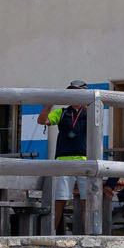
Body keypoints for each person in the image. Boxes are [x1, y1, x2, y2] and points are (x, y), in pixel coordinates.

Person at [38, 82, 94, 233]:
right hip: (63, 160)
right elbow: (42, 121)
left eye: (78, 92)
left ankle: (89, 237)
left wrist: (87, 107)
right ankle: (50, 235)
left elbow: (97, 127)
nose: (74, 95)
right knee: (59, 201)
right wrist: (49, 105)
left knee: (87, 202)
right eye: (72, 92)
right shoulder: (62, 112)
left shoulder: (92, 112)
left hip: (85, 161)